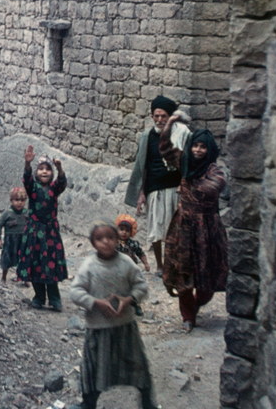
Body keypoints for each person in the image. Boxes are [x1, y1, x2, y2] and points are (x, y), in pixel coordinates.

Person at [69, 223, 157, 409]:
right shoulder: (89, 265)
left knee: (137, 366)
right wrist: (95, 302)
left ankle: (147, 402)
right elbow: (75, 292)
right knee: (94, 369)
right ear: (93, 242)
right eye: (100, 238)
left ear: (117, 239)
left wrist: (129, 299)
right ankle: (88, 403)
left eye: (110, 237)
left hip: (125, 327)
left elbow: (141, 286)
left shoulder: (126, 263)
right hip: (98, 329)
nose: (106, 242)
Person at [162, 125, 228, 332]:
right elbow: (165, 148)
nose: (198, 150)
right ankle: (188, 316)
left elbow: (213, 187)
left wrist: (188, 183)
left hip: (207, 228)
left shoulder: (214, 171)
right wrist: (170, 122)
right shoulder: (185, 162)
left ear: (209, 150)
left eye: (203, 147)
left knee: (207, 274)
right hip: (183, 227)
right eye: (195, 146)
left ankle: (197, 303)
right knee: (183, 271)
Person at [125, 95, 192, 275]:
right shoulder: (147, 136)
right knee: (155, 229)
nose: (160, 119)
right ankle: (160, 265)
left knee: (174, 229)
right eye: (156, 116)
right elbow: (143, 166)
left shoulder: (181, 134)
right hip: (154, 188)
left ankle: (173, 264)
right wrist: (142, 193)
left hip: (175, 188)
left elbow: (187, 161)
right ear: (152, 116)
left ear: (170, 117)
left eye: (164, 116)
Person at [17, 145, 68, 311]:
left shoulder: (54, 188)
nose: (44, 172)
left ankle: (55, 299)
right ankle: (39, 296)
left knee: (50, 264)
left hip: (50, 232)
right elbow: (26, 179)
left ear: (51, 173)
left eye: (47, 169)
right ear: (36, 172)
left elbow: (62, 182)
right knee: (35, 263)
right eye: (41, 169)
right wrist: (27, 163)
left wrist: (59, 168)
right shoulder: (33, 188)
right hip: (34, 231)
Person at [0, 186, 28, 285]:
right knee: (7, 258)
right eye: (16, 200)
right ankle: (3, 277)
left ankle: (24, 278)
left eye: (22, 200)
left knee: (24, 259)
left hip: (23, 240)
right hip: (10, 241)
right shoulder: (7, 213)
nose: (19, 203)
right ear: (11, 200)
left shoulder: (27, 213)